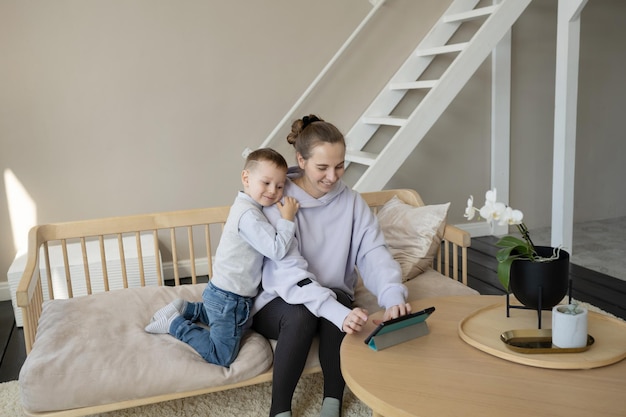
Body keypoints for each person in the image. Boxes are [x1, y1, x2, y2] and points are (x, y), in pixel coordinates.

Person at [252, 115, 412, 417]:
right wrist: (339, 313)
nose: (333, 176)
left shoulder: (351, 202)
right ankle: (279, 411)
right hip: (279, 300)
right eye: (322, 167)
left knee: (339, 300)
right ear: (301, 159)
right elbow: (289, 274)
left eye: (339, 166)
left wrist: (392, 295)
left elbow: (373, 252)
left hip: (330, 296)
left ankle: (332, 403)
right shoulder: (280, 201)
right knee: (304, 314)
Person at [145, 148, 299, 367]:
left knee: (240, 324)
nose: (273, 191)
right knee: (222, 355)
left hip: (223, 294)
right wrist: (287, 219)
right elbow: (276, 249)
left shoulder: (245, 207)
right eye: (266, 183)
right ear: (246, 177)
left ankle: (191, 309)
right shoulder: (249, 216)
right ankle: (175, 323)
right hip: (230, 299)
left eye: (280, 185)